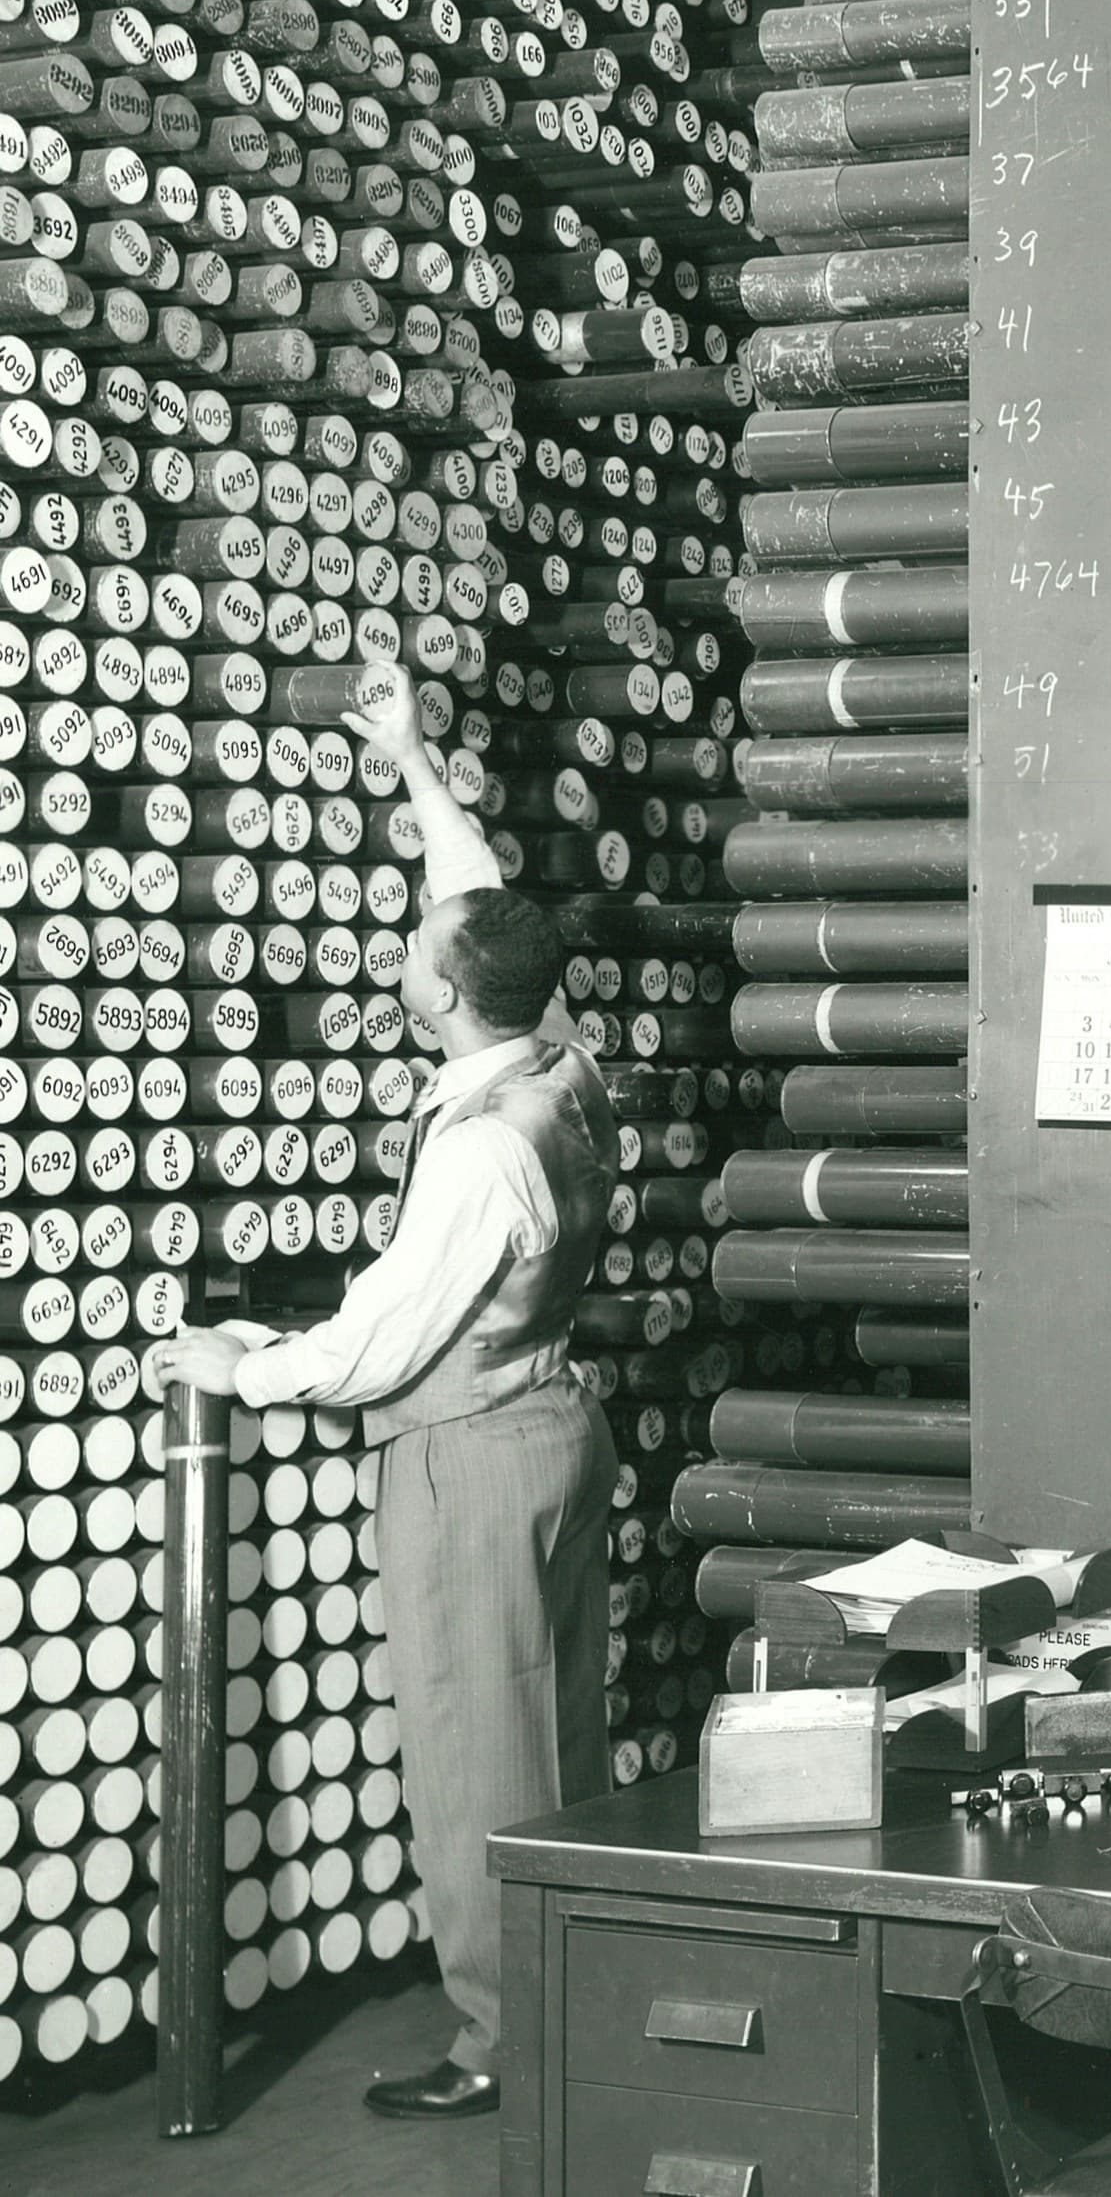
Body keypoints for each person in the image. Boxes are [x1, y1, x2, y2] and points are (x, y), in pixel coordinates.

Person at [147, 668, 618, 2119]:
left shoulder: (476, 1155)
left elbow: (377, 1340)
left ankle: (499, 2044)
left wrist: (245, 1363)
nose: (404, 956)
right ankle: (583, 1995)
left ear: (441, 992)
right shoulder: (566, 1064)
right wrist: (413, 761)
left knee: (475, 1757)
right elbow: (479, 898)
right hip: (560, 1429)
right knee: (559, 1737)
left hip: (463, 1455)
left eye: (419, 952)